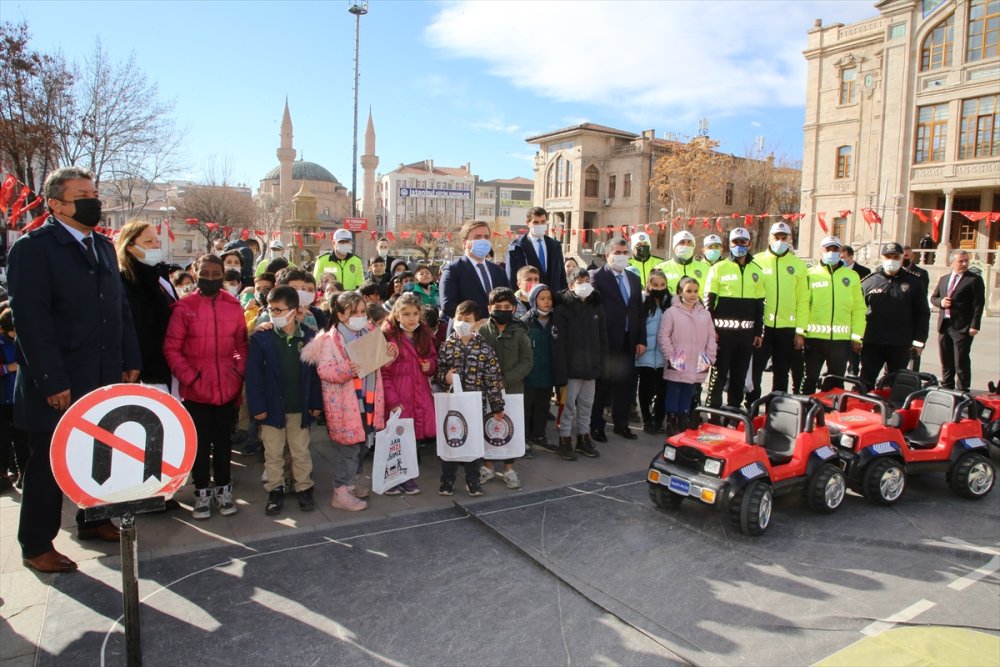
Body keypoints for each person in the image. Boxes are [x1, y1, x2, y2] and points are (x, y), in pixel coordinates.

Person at [9, 166, 141, 573]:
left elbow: (119, 309)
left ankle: (95, 518)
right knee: (49, 464)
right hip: (58, 381)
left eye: (94, 193)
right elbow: (32, 323)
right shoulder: (33, 248)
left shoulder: (102, 247)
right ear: (56, 204)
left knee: (98, 452)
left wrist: (130, 359)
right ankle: (36, 544)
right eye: (83, 194)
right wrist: (53, 380)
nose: (94, 201)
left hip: (101, 375)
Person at [164, 254, 248, 520]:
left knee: (223, 442)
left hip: (226, 386)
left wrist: (237, 371)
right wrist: (191, 378)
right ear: (196, 272)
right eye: (206, 273)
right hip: (196, 389)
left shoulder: (233, 306)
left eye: (216, 274)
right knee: (199, 444)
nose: (210, 278)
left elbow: (240, 346)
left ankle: (224, 489)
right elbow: (172, 349)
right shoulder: (184, 307)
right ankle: (201, 491)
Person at [246, 286, 323, 515]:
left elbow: (315, 375)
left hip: (299, 407)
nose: (274, 314)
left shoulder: (308, 336)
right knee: (273, 452)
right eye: (271, 309)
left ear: (293, 311)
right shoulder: (262, 338)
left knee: (300, 451)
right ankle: (275, 489)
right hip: (271, 409)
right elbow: (253, 376)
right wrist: (257, 407)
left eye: (279, 310)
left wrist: (316, 403)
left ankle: (303, 488)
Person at [435, 300, 505, 496]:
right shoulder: (446, 346)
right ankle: (447, 479)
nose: (462, 323)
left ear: (476, 324)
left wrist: (497, 405)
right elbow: (437, 372)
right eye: (459, 319)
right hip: (452, 405)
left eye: (467, 320)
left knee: (473, 443)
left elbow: (493, 378)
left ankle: (472, 479)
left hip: (476, 405)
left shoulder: (484, 348)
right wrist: (445, 377)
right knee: (451, 440)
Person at [589, 238, 645, 441]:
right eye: (617, 252)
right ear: (607, 255)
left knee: (626, 385)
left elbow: (638, 311)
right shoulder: (596, 277)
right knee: (603, 385)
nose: (622, 256)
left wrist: (641, 339)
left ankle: (621, 424)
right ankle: (596, 425)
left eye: (624, 252)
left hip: (629, 340)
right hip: (607, 341)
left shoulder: (633, 279)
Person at [380, 292, 437, 494]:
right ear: (396, 315)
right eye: (406, 313)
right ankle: (392, 477)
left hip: (419, 393)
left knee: (413, 439)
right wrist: (393, 400)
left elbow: (433, 360)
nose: (411, 318)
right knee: (396, 439)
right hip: (399, 394)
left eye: (414, 313)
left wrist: (429, 366)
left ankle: (408, 475)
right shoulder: (388, 337)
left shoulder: (424, 334)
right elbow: (383, 373)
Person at [704, 227, 764, 410]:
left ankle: (733, 411)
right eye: (735, 242)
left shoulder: (757, 270)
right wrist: (711, 330)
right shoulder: (718, 268)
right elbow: (709, 302)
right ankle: (713, 412)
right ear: (729, 244)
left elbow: (760, 303)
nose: (739, 246)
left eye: (742, 242)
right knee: (719, 376)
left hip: (746, 335)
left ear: (749, 244)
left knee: (739, 376)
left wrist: (758, 331)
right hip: (723, 334)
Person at [748, 222, 808, 404]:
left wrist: (800, 331)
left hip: (787, 328)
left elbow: (803, 300)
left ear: (790, 239)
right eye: (777, 237)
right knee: (756, 370)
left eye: (784, 238)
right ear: (769, 238)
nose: (780, 241)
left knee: (782, 371)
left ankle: (776, 409)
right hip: (763, 328)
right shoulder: (756, 261)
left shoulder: (798, 265)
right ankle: (751, 406)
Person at [478, 287, 533, 487]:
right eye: (497, 307)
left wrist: (506, 379)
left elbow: (526, 362)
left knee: (511, 428)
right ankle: (487, 466)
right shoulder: (482, 331)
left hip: (513, 390)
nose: (502, 310)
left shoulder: (520, 332)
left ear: (514, 308)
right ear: (489, 308)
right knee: (488, 427)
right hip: (487, 391)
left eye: (507, 307)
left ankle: (509, 469)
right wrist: (489, 381)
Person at [115, 221, 178, 391]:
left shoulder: (161, 279)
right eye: (148, 242)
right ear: (129, 246)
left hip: (169, 367)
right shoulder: (122, 281)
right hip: (142, 373)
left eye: (157, 241)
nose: (155, 246)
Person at [799, 236, 866, 395]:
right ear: (821, 251)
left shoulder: (851, 276)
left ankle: (829, 412)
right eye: (828, 249)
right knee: (810, 378)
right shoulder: (810, 275)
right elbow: (803, 306)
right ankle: (805, 410)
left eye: (835, 249)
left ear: (841, 252)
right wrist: (800, 333)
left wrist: (857, 337)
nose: (831, 252)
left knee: (836, 380)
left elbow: (858, 308)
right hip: (814, 339)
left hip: (840, 342)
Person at [552, 269, 606, 460]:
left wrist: (601, 364)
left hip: (590, 368)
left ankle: (584, 437)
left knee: (587, 406)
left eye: (586, 280)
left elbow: (602, 338)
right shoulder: (562, 309)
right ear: (570, 285)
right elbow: (558, 344)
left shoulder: (596, 306)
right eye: (579, 281)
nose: (584, 284)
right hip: (571, 369)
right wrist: (561, 372)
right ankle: (565, 439)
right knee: (567, 408)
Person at [859, 243, 930, 388]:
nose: (891, 260)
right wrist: (857, 339)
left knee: (897, 383)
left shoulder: (914, 282)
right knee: (866, 380)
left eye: (895, 256)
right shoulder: (869, 282)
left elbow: (922, 314)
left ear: (902, 257)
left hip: (900, 343)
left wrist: (919, 342)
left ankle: (894, 409)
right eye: (888, 256)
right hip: (873, 342)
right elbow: (858, 312)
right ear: (882, 258)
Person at [659, 277, 716, 435]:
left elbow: (712, 336)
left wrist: (710, 356)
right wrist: (672, 355)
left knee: (689, 391)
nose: (693, 294)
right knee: (674, 390)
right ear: (680, 292)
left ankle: (684, 418)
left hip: (698, 359)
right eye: (688, 291)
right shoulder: (672, 312)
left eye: (695, 291)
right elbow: (664, 336)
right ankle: (672, 420)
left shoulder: (705, 314)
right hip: (678, 358)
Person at [929, 249, 985, 391]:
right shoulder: (944, 279)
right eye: (961, 261)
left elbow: (978, 304)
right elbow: (933, 298)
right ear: (952, 262)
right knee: (946, 359)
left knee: (960, 361)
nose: (965, 263)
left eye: (966, 260)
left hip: (962, 326)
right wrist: (941, 302)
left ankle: (963, 389)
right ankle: (947, 386)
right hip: (944, 325)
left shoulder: (974, 280)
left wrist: (974, 325)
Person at [440, 220, 510, 321]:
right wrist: (473, 321)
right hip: (466, 331)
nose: (483, 240)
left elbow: (508, 299)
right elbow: (448, 305)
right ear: (465, 242)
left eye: (486, 237)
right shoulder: (453, 270)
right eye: (477, 237)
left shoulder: (498, 270)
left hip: (496, 329)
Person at [521, 284, 555, 451]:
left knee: (543, 407)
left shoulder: (555, 321)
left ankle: (539, 435)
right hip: (529, 376)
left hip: (548, 374)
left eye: (549, 298)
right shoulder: (525, 323)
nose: (547, 302)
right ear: (534, 301)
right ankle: (524, 438)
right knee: (527, 409)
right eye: (542, 299)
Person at [506, 206, 568, 294]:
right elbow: (511, 279)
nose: (540, 225)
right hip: (527, 300)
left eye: (542, 222)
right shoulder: (516, 247)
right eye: (536, 222)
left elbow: (562, 276)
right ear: (527, 222)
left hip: (553, 300)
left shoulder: (555, 246)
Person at [636, 270, 669, 434]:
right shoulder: (643, 302)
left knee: (663, 389)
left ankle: (659, 419)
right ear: (649, 285)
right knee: (646, 388)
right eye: (655, 284)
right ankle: (647, 419)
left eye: (662, 285)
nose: (659, 288)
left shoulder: (670, 303)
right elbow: (638, 326)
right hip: (646, 353)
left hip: (664, 354)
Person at [0, 308, 29, 491]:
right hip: (3, 400)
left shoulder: (21, 341)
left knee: (21, 439)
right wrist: (7, 368)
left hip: (18, 399)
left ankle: (23, 474)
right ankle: (3, 474)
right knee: (3, 439)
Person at [902, 245, 931, 372]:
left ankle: (913, 376)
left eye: (906, 256)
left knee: (914, 352)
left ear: (912, 256)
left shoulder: (921, 274)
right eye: (901, 255)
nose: (904, 258)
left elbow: (922, 298)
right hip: (897, 319)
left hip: (913, 318)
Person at [655, 231, 709, 296]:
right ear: (674, 247)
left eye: (689, 242)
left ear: (694, 247)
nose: (686, 245)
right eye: (682, 242)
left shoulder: (705, 268)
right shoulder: (661, 268)